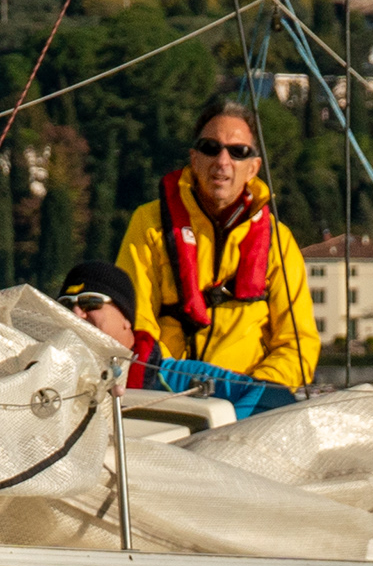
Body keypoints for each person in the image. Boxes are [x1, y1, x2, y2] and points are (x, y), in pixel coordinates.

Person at [113, 100, 317, 396]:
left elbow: (298, 343)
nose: (222, 161)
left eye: (238, 152)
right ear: (194, 159)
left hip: (249, 401)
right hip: (168, 396)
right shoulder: (149, 224)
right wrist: (170, 381)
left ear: (253, 168)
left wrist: (255, 390)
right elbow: (134, 323)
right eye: (211, 148)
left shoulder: (279, 242)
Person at [58, 261, 292, 418]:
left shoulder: (176, 377)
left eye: (91, 302)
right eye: (66, 305)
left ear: (126, 319)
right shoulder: (52, 383)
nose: (77, 314)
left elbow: (273, 395)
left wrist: (214, 445)